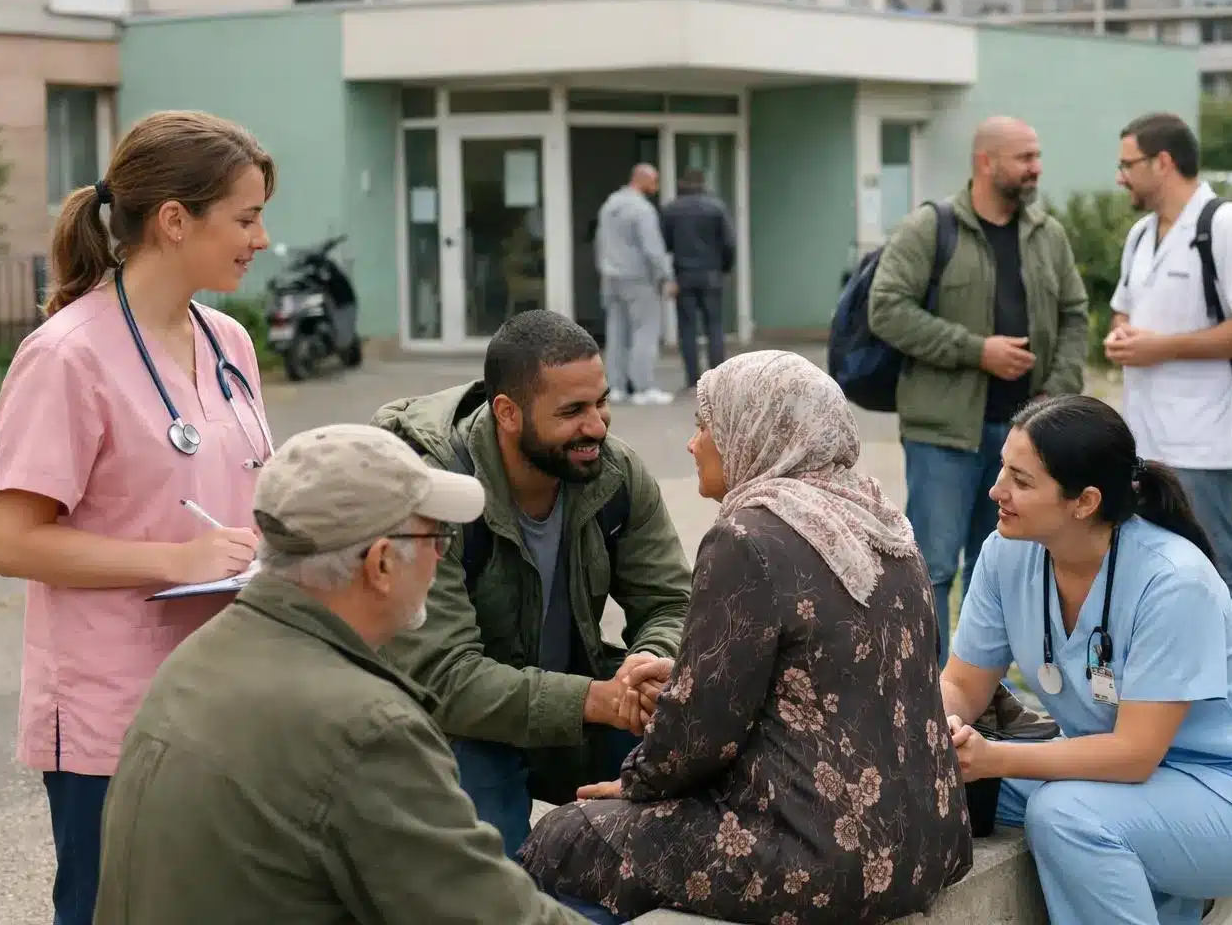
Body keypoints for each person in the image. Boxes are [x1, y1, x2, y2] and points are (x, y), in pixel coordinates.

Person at [522, 351, 973, 924]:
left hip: (823, 855)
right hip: (929, 841)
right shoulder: (883, 522)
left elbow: (699, 735)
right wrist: (687, 675)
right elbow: (824, 673)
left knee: (566, 835)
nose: (693, 444)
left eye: (705, 425)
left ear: (756, 430)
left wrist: (634, 785)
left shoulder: (747, 537)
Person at [93, 424, 591, 924]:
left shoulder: (197, 659)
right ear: (380, 564)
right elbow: (491, 915)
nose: (441, 556)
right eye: (436, 537)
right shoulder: (366, 726)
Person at [0, 110, 276, 925]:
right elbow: (14, 542)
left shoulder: (228, 342)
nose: (260, 239)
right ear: (175, 221)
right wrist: (177, 560)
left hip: (224, 695)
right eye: (246, 218)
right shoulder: (65, 355)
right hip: (111, 712)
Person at [940, 394, 1232, 925]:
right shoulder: (1006, 554)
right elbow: (962, 684)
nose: (996, 489)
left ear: (1084, 502)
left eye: (1021, 481)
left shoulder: (1172, 580)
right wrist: (943, 730)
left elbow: (1135, 754)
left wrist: (996, 758)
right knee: (940, 788)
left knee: (1065, 816)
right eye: (1003, 468)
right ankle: (1174, 898)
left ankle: (1189, 889)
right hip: (1121, 779)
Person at [373, 309, 691, 857]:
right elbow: (444, 678)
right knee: (493, 877)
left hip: (571, 711)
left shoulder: (615, 474)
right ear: (507, 413)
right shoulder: (435, 492)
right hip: (456, 728)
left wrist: (647, 665)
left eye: (601, 402)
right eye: (572, 411)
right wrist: (595, 699)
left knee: (707, 783)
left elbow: (672, 603)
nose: (597, 426)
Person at [868, 115, 1089, 665]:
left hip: (1025, 441)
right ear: (986, 162)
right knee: (934, 568)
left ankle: (986, 689)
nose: (1037, 168)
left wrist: (1056, 396)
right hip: (945, 436)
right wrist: (976, 350)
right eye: (1025, 158)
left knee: (1004, 568)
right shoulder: (930, 228)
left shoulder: (1047, 234)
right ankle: (931, 691)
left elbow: (1074, 315)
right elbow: (887, 309)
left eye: (1037, 156)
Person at [1105, 112, 1232, 683]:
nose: (1120, 177)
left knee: (1222, 564)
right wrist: (1122, 335)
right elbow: (1125, 309)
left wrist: (1164, 348)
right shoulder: (1141, 234)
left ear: (1163, 162)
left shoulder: (1228, 226)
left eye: (1127, 165)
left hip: (1204, 434)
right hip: (1144, 434)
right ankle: (1179, 684)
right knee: (1153, 568)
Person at [595, 163, 675, 405]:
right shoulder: (642, 210)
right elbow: (652, 248)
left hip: (611, 277)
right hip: (639, 278)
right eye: (655, 181)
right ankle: (643, 387)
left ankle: (616, 387)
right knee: (645, 331)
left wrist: (604, 268)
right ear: (643, 179)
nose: (656, 187)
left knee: (616, 333)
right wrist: (666, 276)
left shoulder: (609, 205)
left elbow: (600, 242)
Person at [660, 167, 736, 389]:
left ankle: (692, 377)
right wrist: (724, 268)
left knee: (687, 328)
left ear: (682, 183)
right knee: (714, 326)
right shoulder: (716, 207)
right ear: (703, 184)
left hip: (683, 274)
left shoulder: (671, 209)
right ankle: (717, 376)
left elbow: (664, 244)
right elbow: (729, 243)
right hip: (711, 274)